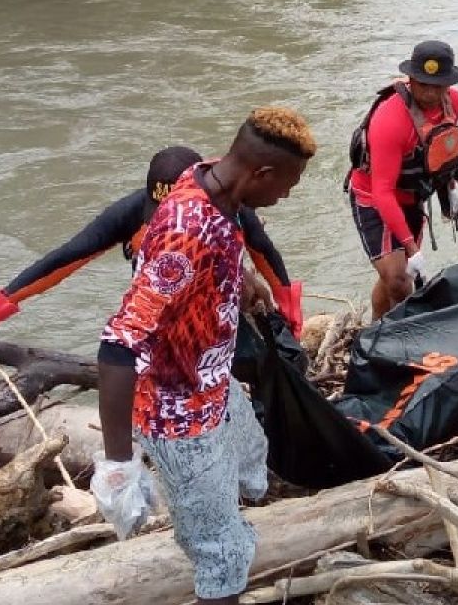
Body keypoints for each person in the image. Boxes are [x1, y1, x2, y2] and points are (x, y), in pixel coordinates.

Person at [92, 107, 315, 605]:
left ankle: (225, 514)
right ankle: (219, 555)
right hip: (178, 414)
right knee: (222, 553)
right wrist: (118, 465)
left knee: (253, 461)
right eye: (287, 185)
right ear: (260, 174)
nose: (287, 195)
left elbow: (224, 242)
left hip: (212, 381)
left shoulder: (212, 178)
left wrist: (243, 280)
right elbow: (117, 344)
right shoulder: (183, 235)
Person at [0, 146, 303, 359]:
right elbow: (67, 257)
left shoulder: (231, 206)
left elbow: (264, 252)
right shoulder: (130, 213)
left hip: (222, 300)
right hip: (162, 309)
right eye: (161, 217)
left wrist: (289, 305)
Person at [346, 40, 458, 319]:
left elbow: (443, 147)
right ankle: (401, 340)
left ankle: (375, 329)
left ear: (448, 84)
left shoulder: (454, 103)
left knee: (392, 277)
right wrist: (411, 249)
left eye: (438, 85)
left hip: (413, 196)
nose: (430, 92)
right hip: (374, 197)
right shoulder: (391, 121)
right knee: (400, 279)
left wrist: (450, 184)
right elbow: (382, 192)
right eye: (423, 84)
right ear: (411, 80)